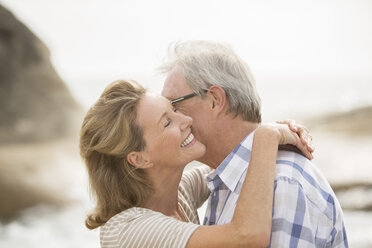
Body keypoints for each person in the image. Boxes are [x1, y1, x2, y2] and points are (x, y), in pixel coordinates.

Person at [79, 79, 313, 248]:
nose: (187, 120)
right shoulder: (129, 231)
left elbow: (231, 164)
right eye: (167, 122)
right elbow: (248, 236)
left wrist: (278, 132)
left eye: (174, 109)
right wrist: (266, 136)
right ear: (139, 158)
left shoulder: (179, 194)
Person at [161, 40, 349, 247]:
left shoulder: (282, 183)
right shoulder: (226, 177)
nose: (172, 119)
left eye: (174, 106)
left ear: (215, 99)